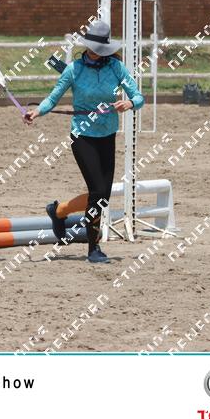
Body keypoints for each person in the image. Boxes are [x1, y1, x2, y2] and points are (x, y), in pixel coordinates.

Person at [22, 19, 145, 264]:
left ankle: (58, 211)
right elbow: (52, 98)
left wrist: (130, 103)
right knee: (98, 191)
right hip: (82, 136)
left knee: (102, 196)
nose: (95, 52)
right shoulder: (73, 70)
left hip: (107, 135)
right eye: (92, 48)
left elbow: (139, 96)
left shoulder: (116, 68)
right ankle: (93, 248)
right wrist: (37, 112)